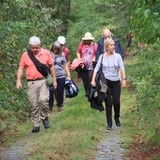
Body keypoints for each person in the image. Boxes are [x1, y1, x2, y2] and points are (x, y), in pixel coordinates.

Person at [16, 36, 57, 133]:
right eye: (32, 48)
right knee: (34, 104)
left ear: (40, 46)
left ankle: (45, 117)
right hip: (31, 82)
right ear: (30, 47)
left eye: (36, 48)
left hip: (43, 81)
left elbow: (51, 67)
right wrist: (18, 80)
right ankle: (36, 124)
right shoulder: (25, 55)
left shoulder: (46, 53)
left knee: (44, 100)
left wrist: (54, 80)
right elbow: (21, 68)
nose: (34, 50)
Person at [91, 38, 126, 130]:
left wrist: (124, 80)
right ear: (106, 47)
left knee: (116, 102)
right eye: (111, 45)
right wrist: (93, 80)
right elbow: (96, 69)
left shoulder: (118, 56)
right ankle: (109, 123)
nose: (113, 46)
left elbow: (122, 68)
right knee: (108, 103)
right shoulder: (102, 57)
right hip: (105, 83)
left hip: (116, 82)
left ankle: (117, 117)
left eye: (114, 45)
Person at [49, 41, 71, 112]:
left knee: (60, 91)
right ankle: (50, 105)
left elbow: (65, 65)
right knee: (50, 91)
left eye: (57, 49)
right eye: (55, 48)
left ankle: (59, 105)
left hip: (61, 75)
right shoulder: (48, 54)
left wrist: (68, 75)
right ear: (52, 47)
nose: (55, 50)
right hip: (51, 76)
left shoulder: (62, 55)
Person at [76, 32, 97, 97]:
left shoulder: (94, 45)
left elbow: (98, 53)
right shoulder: (81, 44)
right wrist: (79, 59)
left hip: (91, 65)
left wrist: (95, 58)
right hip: (83, 64)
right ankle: (87, 91)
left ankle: (91, 91)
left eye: (89, 39)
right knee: (85, 79)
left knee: (90, 78)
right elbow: (78, 52)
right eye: (87, 40)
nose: (88, 41)